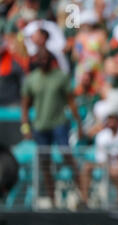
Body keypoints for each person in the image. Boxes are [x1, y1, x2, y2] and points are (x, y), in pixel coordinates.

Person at [21, 48, 82, 206]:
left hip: (59, 123)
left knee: (66, 154)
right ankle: (52, 199)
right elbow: (25, 105)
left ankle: (83, 193)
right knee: (45, 163)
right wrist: (25, 126)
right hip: (40, 126)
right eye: (40, 58)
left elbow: (71, 101)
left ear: (51, 59)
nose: (42, 61)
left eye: (45, 58)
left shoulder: (60, 77)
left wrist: (79, 123)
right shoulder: (32, 79)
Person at [81, 112, 118, 207]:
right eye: (109, 119)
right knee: (87, 167)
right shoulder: (102, 136)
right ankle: (84, 200)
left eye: (114, 119)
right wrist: (110, 165)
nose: (111, 122)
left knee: (116, 172)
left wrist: (115, 165)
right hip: (107, 165)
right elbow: (101, 159)